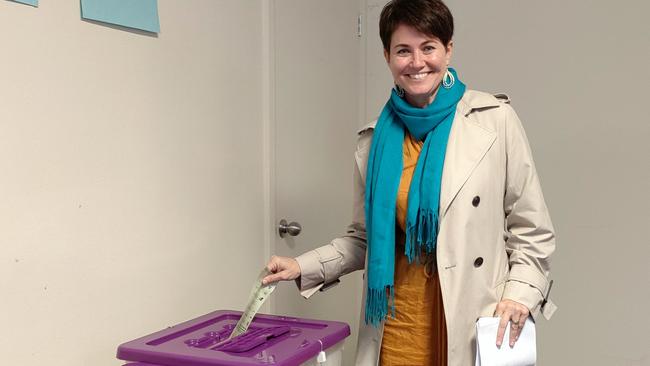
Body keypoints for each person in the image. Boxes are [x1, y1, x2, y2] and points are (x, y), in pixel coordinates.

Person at [262, 0, 557, 364]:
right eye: (403, 50)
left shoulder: (495, 122)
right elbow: (363, 239)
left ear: (448, 50)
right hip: (395, 324)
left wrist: (521, 293)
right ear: (387, 56)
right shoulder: (373, 142)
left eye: (428, 47)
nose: (417, 62)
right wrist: (303, 266)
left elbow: (533, 229)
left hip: (468, 319)